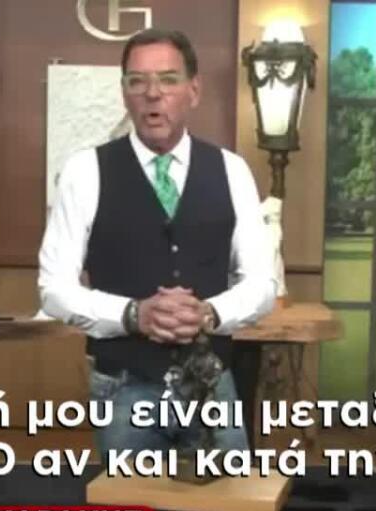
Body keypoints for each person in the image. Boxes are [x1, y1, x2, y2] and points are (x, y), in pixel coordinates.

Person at [37, 28, 276, 460]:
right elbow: (53, 288)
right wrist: (134, 315)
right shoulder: (85, 172)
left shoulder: (232, 170)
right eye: (137, 81)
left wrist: (208, 313)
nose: (152, 94)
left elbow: (262, 283)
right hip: (123, 388)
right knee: (132, 506)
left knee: (227, 504)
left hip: (212, 385)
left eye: (167, 79)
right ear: (124, 93)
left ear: (193, 90)